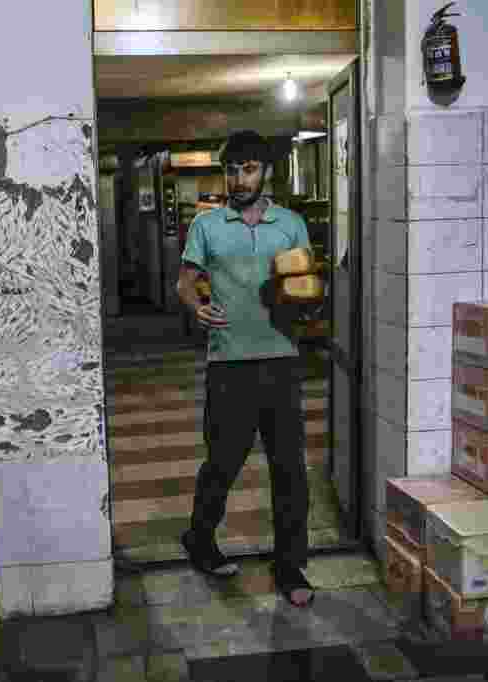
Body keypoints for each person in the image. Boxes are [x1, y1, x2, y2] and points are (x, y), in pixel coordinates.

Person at [176, 130, 315, 608]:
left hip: (281, 360)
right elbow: (185, 282)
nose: (239, 179)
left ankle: (290, 565)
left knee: (289, 469)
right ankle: (199, 539)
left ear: (265, 172)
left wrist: (306, 305)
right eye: (232, 170)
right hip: (228, 363)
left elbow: (304, 283)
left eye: (249, 169)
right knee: (222, 464)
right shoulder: (208, 225)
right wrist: (197, 306)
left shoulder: (291, 224)